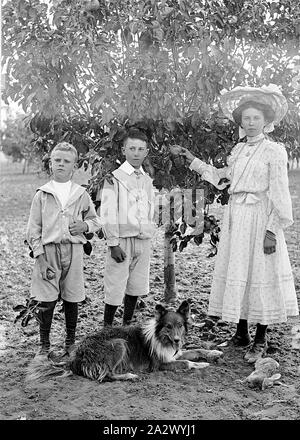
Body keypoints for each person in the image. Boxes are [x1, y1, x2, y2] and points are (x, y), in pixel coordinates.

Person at [171, 84, 299, 363]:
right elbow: (221, 178)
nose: (251, 123)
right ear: (240, 121)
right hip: (237, 218)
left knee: (260, 272)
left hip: (260, 217)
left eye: (256, 118)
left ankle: (261, 338)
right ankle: (241, 332)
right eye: (247, 118)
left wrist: (271, 230)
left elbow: (279, 193)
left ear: (266, 121)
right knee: (239, 269)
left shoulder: (274, 151)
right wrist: (192, 160)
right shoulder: (239, 150)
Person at [26, 142, 102, 356]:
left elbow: (96, 221)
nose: (61, 164)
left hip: (73, 251)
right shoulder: (42, 194)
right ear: (50, 163)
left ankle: (70, 342)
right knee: (46, 298)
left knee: (72, 296)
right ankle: (44, 345)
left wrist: (85, 226)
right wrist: (40, 258)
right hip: (48, 252)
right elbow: (33, 229)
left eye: (66, 161)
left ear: (74, 166)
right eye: (57, 160)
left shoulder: (81, 194)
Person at [100, 128, 156, 326]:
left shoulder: (147, 179)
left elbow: (151, 208)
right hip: (122, 240)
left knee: (136, 285)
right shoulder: (114, 178)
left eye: (141, 149)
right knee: (115, 285)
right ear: (123, 150)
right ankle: (107, 327)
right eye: (132, 148)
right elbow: (107, 213)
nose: (136, 153)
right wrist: (113, 243)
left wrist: (150, 229)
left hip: (143, 239)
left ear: (146, 152)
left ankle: (127, 325)